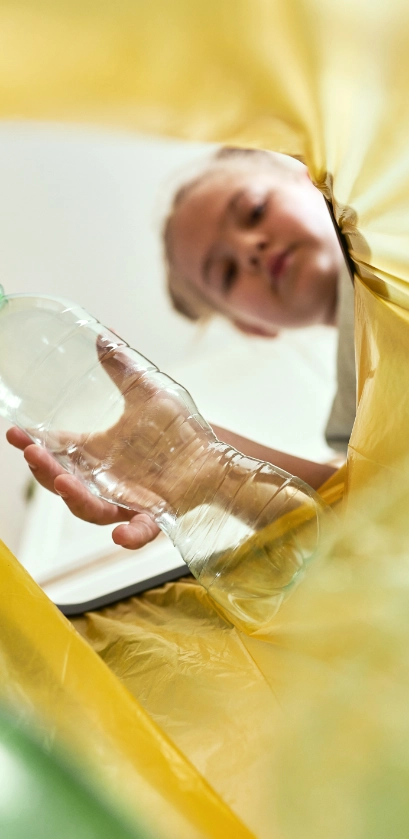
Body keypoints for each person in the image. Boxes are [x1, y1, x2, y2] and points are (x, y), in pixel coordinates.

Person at [6, 148, 356, 550]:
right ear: (253, 327)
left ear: (307, 177)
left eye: (255, 211)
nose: (248, 249)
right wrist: (205, 462)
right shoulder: (353, 415)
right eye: (226, 273)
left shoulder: (394, 235)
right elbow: (373, 510)